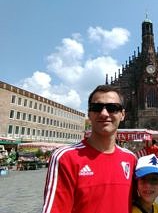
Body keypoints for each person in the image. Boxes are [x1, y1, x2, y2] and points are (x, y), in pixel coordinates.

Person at [42, 85, 137, 213]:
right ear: (89, 114)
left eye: (112, 108)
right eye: (97, 108)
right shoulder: (65, 158)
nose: (104, 113)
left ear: (123, 114)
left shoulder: (131, 159)